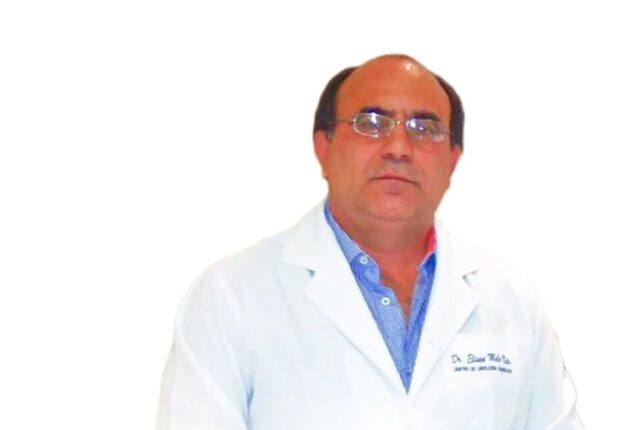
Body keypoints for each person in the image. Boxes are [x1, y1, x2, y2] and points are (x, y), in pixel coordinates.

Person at [156, 54, 584, 430]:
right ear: (323, 146)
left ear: (453, 160)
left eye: (424, 128)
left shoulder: (512, 303)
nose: (398, 147)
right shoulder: (230, 297)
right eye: (371, 124)